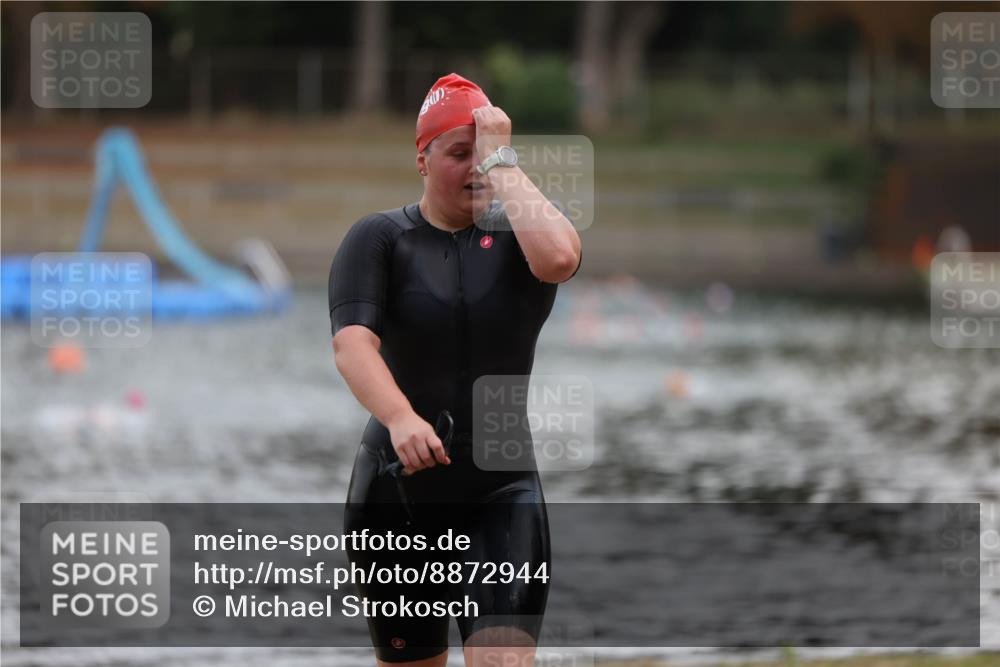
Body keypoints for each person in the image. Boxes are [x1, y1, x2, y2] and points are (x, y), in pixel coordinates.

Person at [329, 72, 582, 667]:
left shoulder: (526, 234)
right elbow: (352, 345)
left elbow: (562, 259)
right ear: (422, 159)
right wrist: (398, 417)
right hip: (397, 495)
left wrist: (504, 161)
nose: (476, 168)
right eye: (459, 153)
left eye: (486, 153)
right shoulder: (379, 239)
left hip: (503, 488)